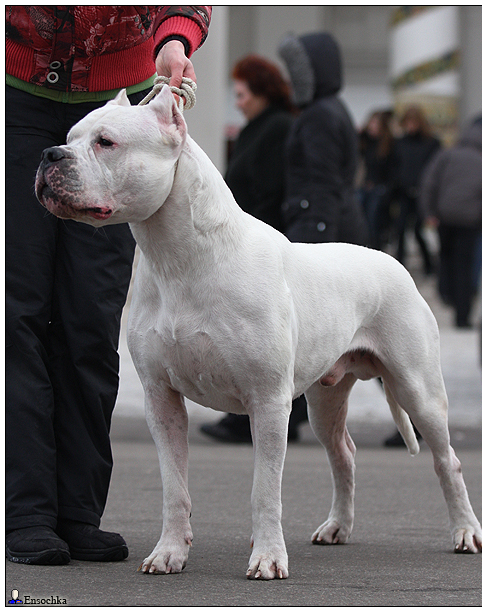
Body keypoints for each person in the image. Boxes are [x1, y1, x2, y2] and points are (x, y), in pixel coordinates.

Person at [6, 5, 211, 566]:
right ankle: (25, 512)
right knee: (16, 314)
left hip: (118, 104)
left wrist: (175, 42)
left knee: (91, 321)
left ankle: (77, 512)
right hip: (15, 93)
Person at [200, 55, 308, 443]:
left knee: (266, 335)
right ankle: (256, 415)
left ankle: (258, 415)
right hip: (250, 238)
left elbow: (270, 189)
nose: (238, 101)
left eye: (243, 94)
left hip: (261, 242)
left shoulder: (276, 128)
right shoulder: (259, 127)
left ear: (262, 92)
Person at [278, 32, 368, 246]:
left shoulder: (319, 116)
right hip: (327, 222)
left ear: (309, 73)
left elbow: (324, 182)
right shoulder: (332, 108)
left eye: (295, 72)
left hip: (317, 226)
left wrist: (319, 237)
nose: (290, 80)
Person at [420, 123, 482, 328]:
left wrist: (429, 212)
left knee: (445, 257)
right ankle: (462, 316)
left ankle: (446, 294)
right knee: (464, 266)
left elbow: (429, 182)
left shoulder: (447, 155)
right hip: (470, 221)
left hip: (444, 216)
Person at [392, 105, 441, 274]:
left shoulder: (431, 143)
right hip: (404, 192)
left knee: (419, 230)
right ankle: (399, 266)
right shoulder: (400, 143)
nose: (410, 126)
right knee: (400, 229)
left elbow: (433, 169)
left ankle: (429, 264)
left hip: (423, 193)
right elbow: (395, 166)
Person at [358, 110, 396, 250]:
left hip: (379, 188)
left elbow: (391, 170)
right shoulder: (365, 142)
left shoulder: (388, 144)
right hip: (364, 186)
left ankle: (375, 247)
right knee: (362, 220)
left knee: (374, 221)